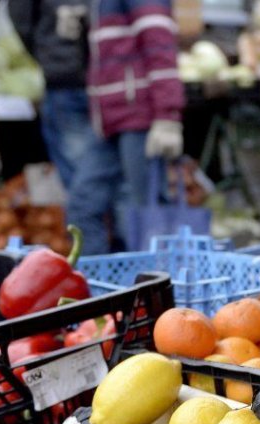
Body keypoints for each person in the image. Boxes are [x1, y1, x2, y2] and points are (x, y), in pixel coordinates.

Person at [10, 0, 121, 254]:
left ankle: (100, 269)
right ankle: (102, 267)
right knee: (91, 191)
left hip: (94, 84)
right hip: (73, 80)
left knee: (85, 194)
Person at [89, 0, 185, 247]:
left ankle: (159, 279)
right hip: (110, 120)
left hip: (138, 116)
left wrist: (167, 116)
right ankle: (95, 282)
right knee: (85, 204)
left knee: (147, 213)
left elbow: (160, 48)